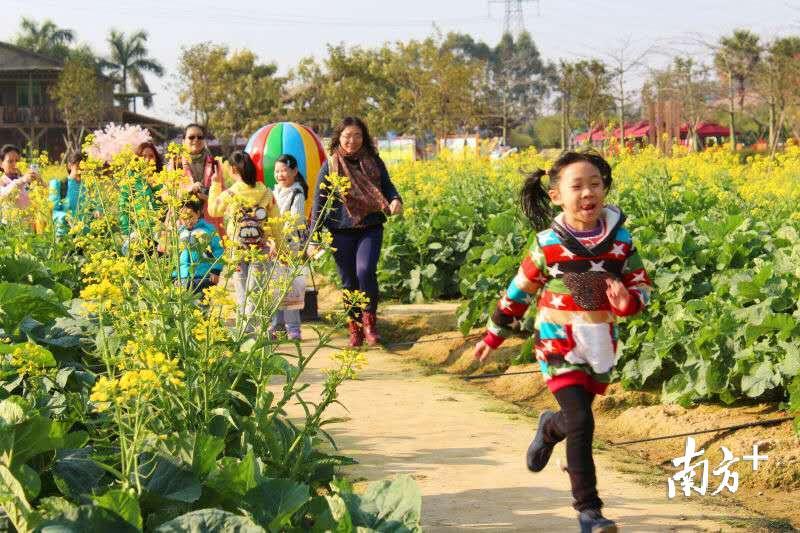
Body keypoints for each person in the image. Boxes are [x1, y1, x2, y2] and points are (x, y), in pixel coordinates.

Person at [472, 151, 653, 533]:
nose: (588, 193)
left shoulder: (620, 241)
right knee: (583, 422)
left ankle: (549, 429)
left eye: (595, 185)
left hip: (600, 343)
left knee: (573, 420)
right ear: (556, 196)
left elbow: (641, 284)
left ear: (605, 190)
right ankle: (589, 511)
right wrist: (494, 333)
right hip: (557, 344)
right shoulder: (548, 244)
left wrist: (630, 301)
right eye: (577, 186)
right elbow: (518, 290)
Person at [310, 117, 402, 347]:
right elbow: (318, 204)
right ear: (339, 138)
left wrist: (395, 199)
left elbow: (387, 186)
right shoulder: (330, 165)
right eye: (347, 136)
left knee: (365, 271)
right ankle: (355, 327)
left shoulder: (373, 161)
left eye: (358, 136)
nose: (352, 141)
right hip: (340, 230)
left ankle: (370, 323)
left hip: (370, 226)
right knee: (348, 280)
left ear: (365, 137)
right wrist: (313, 237)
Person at [208, 151, 280, 334]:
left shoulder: (230, 194)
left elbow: (213, 210)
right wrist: (279, 246)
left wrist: (215, 183)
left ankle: (244, 333)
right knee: (254, 292)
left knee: (242, 292)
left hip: (237, 250)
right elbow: (276, 222)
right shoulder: (266, 193)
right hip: (261, 248)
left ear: (233, 169)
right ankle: (251, 331)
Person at [269, 153, 308, 340]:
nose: (280, 175)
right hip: (273, 247)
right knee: (274, 287)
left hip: (289, 246)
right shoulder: (272, 192)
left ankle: (293, 328)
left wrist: (280, 241)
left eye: (284, 170)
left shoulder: (297, 193)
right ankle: (276, 326)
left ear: (294, 171)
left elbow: (296, 220)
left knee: (290, 288)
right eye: (277, 171)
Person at [175, 124, 224, 236]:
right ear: (183, 141)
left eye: (200, 137)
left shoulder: (214, 164)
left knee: (212, 252)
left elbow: (223, 194)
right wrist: (189, 190)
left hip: (209, 222)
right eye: (191, 137)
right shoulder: (175, 163)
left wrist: (208, 196)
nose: (196, 140)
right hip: (182, 223)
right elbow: (166, 194)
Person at [119, 142, 165, 252]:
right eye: (143, 156)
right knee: (127, 249)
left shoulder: (163, 178)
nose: (148, 159)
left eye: (151, 156)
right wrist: (127, 231)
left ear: (156, 159)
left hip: (161, 228)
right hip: (140, 228)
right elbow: (123, 205)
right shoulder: (131, 178)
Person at [174, 198, 224, 294]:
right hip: (184, 277)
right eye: (184, 218)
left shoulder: (208, 229)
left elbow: (218, 250)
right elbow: (177, 256)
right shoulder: (180, 232)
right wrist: (176, 275)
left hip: (204, 275)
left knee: (202, 305)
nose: (188, 221)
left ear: (198, 213)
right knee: (187, 307)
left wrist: (216, 270)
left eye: (190, 216)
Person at [50, 151, 93, 238]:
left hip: (87, 236)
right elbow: (53, 210)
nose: (82, 169)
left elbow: (95, 206)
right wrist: (66, 217)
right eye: (78, 166)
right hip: (66, 235)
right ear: (70, 165)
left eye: (85, 166)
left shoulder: (89, 186)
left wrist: (97, 211)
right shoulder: (58, 184)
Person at [0, 144, 40, 210]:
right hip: (11, 219)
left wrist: (39, 181)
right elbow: (4, 193)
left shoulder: (24, 179)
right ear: (1, 163)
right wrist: (21, 180)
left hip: (30, 219)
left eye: (17, 161)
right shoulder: (2, 181)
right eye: (10, 161)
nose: (15, 164)